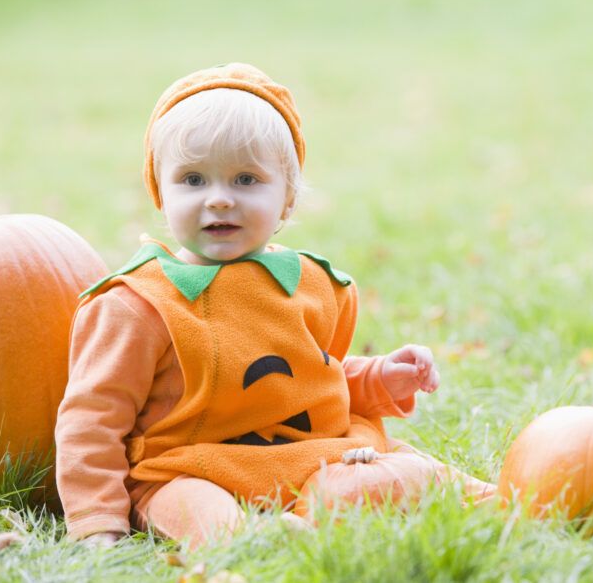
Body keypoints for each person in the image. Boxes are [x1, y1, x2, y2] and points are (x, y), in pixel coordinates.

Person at [55, 63, 493, 548]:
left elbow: (305, 380)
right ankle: (261, 542)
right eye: (193, 179)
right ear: (161, 192)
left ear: (287, 198)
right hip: (188, 470)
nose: (219, 200)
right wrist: (97, 519)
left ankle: (514, 500)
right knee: (201, 511)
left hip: (308, 458)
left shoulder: (309, 284)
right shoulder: (137, 305)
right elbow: (92, 420)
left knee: (385, 475)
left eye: (245, 180)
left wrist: (379, 378)